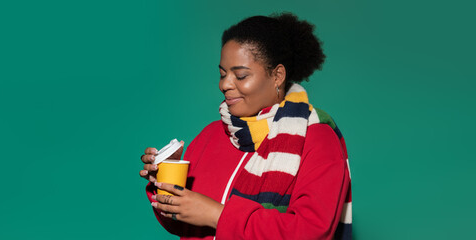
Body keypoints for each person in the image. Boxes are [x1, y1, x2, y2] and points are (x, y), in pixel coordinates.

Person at [139, 12, 352, 240]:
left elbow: (310, 232)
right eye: (222, 74)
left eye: (240, 76)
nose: (225, 84)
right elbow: (183, 225)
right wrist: (166, 181)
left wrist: (218, 215)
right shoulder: (211, 135)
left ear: (277, 75)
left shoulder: (317, 138)